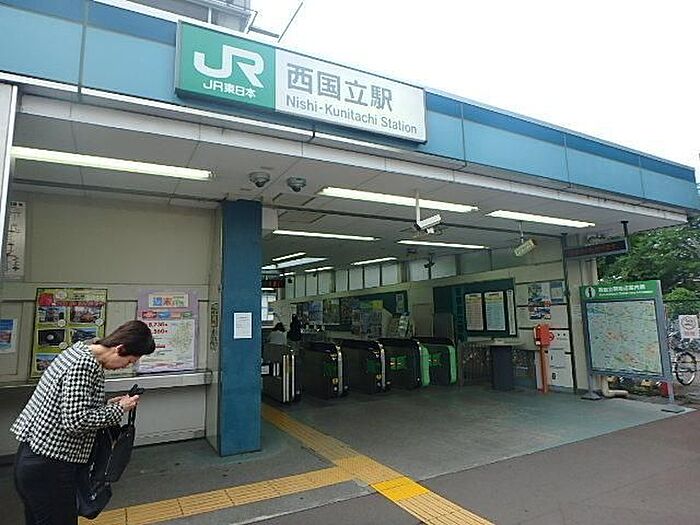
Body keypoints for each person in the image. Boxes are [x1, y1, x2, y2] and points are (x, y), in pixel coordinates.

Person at [11, 319, 155, 525]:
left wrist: (106, 406)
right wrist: (119, 409)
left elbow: (67, 405)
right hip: (50, 465)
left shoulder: (79, 351)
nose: (126, 366)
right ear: (120, 349)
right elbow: (75, 421)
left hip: (37, 458)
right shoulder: (84, 365)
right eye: (130, 361)